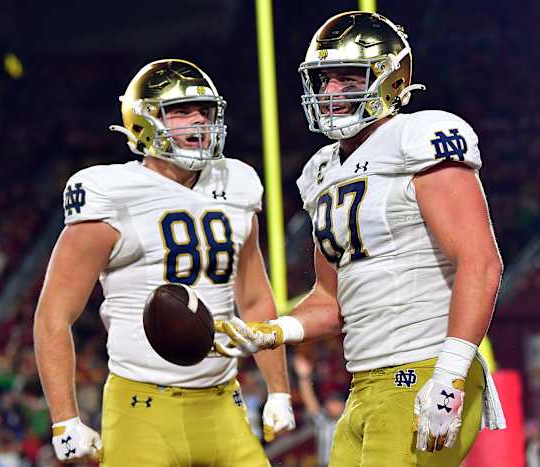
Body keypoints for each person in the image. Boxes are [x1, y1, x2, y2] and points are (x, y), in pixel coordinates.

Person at [215, 11, 506, 467]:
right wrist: (273, 331)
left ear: (390, 81)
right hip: (366, 382)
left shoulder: (419, 136)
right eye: (324, 80)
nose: (331, 92)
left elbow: (481, 263)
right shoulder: (321, 171)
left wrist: (449, 374)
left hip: (426, 366)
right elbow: (330, 300)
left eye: (348, 78)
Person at [33, 59, 295, 466]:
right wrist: (64, 419)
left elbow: (256, 298)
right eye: (180, 111)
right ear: (145, 121)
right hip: (142, 407)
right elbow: (53, 315)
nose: (197, 122)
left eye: (203, 111)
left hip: (223, 401)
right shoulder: (112, 193)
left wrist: (278, 389)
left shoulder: (237, 182)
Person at [292, 353, 345, 467]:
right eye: (329, 402)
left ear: (343, 405)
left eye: (335, 402)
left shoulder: (351, 421)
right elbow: (309, 401)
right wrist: (304, 377)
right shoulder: (324, 421)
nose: (331, 405)